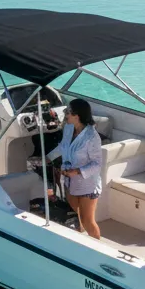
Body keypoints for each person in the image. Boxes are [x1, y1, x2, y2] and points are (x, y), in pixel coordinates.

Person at [47, 98, 102, 239]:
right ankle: (81, 244)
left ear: (77, 115)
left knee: (87, 221)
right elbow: (63, 147)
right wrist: (47, 158)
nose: (65, 114)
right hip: (69, 182)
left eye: (68, 112)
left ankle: (98, 250)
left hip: (87, 185)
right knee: (74, 219)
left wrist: (77, 171)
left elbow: (97, 164)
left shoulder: (92, 137)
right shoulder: (68, 128)